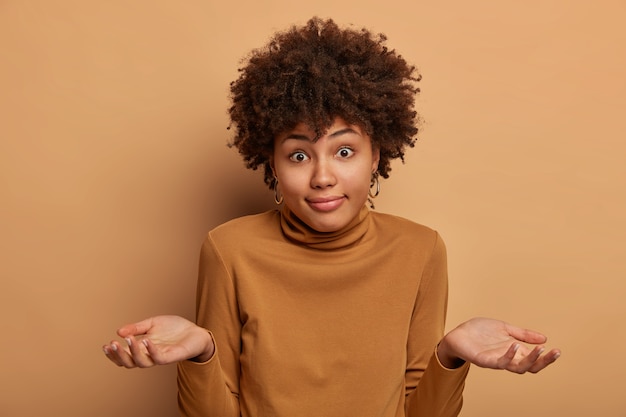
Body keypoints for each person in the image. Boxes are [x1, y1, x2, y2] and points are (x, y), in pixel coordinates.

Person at [102, 17, 560, 417]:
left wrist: (450, 355)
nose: (323, 176)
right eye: (299, 155)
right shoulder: (229, 250)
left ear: (376, 155)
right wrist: (201, 354)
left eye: (344, 151)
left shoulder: (421, 250)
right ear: (273, 165)